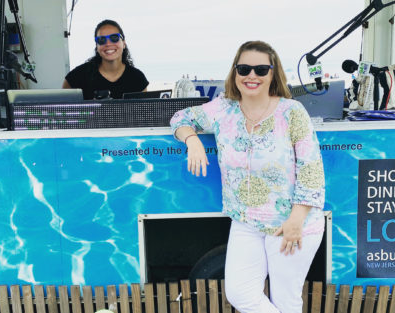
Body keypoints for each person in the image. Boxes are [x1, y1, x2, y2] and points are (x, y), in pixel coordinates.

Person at [170, 41, 325, 313]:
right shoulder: (223, 109)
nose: (251, 75)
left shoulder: (292, 112)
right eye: (244, 68)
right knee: (240, 293)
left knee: (286, 301)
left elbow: (311, 169)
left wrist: (296, 220)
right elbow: (180, 117)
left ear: (272, 74)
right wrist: (192, 139)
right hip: (245, 221)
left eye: (261, 69)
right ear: (235, 72)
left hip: (289, 222)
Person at [63, 19, 149, 100]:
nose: (108, 43)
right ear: (97, 46)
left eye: (114, 38)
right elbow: (60, 109)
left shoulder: (137, 78)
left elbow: (145, 113)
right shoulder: (77, 76)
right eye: (101, 40)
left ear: (124, 44)